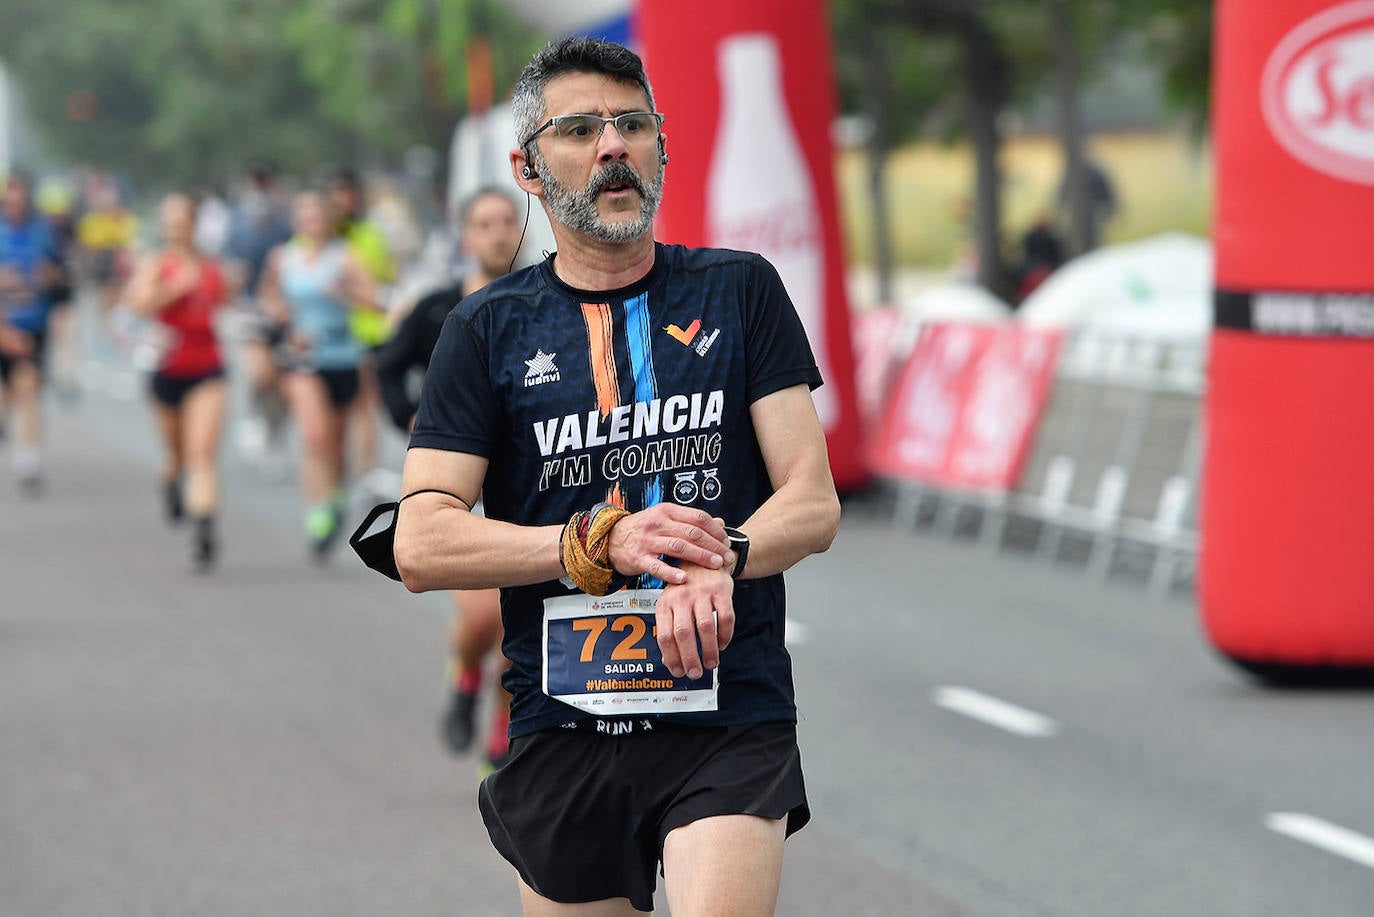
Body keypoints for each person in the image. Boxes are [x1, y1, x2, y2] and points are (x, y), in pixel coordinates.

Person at [393, 38, 840, 916]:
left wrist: (725, 552)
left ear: (662, 149)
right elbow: (421, 539)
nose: (613, 146)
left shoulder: (741, 291)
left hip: (726, 707)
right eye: (581, 129)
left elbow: (813, 500)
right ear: (527, 167)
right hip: (564, 721)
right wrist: (594, 540)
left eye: (633, 124)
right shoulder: (484, 330)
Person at [377, 187, 522, 773]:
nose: (497, 233)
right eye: (484, 223)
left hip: (528, 484)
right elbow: (388, 366)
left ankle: (505, 726)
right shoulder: (439, 309)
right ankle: (465, 672)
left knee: (522, 625)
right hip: (461, 494)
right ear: (465, 237)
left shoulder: (543, 302)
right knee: (483, 621)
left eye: (508, 221)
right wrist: (411, 420)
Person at [259, 191, 380, 559]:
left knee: (336, 442)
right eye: (304, 215)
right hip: (301, 359)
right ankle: (317, 509)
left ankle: (336, 497)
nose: (311, 221)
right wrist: (277, 311)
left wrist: (346, 294)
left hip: (343, 358)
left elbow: (375, 300)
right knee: (315, 437)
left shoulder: (345, 256)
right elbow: (267, 295)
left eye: (317, 215)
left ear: (329, 219)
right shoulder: (283, 257)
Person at [124, 194, 234, 571]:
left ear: (193, 224)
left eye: (182, 221)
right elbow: (136, 305)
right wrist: (174, 288)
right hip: (167, 369)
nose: (176, 229)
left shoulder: (212, 266)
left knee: (201, 453)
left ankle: (204, 528)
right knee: (176, 453)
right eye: (169, 222)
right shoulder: (158, 264)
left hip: (207, 367)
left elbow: (224, 303)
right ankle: (171, 482)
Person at [224, 162, 294, 476]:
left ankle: (275, 439)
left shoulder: (284, 224)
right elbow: (230, 261)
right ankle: (253, 418)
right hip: (251, 307)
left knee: (282, 386)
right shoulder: (238, 222)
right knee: (260, 374)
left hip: (285, 310)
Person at [0, 172, 66, 495]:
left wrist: (49, 277)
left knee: (29, 387)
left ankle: (29, 458)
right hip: (2, 321)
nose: (16, 204)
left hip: (32, 322)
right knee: (7, 394)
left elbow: (59, 276)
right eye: (10, 199)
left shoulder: (44, 232)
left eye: (21, 198)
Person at [329, 169, 396, 487]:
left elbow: (385, 278)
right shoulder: (315, 237)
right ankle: (336, 471)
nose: (344, 201)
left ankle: (366, 469)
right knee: (335, 413)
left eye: (348, 193)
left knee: (365, 403)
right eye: (337, 194)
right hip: (327, 337)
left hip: (366, 330)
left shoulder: (370, 233)